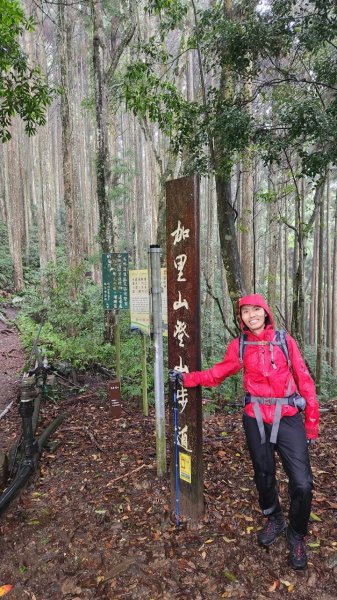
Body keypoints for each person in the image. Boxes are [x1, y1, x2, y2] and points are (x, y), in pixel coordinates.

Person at [169, 293, 319, 570]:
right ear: (242, 318)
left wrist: (311, 422)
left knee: (302, 483)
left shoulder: (285, 342)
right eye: (246, 312)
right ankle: (274, 517)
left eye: (256, 310)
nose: (252, 315)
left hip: (287, 418)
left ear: (265, 312)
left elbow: (304, 379)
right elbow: (218, 374)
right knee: (263, 474)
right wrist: (187, 378)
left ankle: (296, 534)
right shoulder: (240, 346)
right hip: (255, 418)